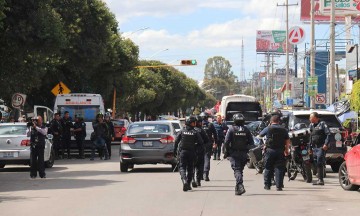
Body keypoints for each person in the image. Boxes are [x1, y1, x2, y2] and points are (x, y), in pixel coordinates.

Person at [223, 113, 254, 195]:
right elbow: (252, 143)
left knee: (237, 170)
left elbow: (226, 142)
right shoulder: (246, 129)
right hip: (244, 154)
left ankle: (240, 185)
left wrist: (226, 152)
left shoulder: (231, 129)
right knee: (240, 170)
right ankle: (238, 189)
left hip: (234, 153)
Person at [258, 115, 290, 191]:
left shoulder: (268, 128)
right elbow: (287, 140)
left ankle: (267, 185)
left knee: (268, 167)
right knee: (279, 168)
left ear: (271, 121)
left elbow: (260, 135)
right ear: (279, 121)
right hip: (280, 150)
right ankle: (279, 186)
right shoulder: (283, 129)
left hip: (270, 150)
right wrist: (286, 149)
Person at [174, 115, 204, 192]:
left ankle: (184, 181)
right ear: (191, 123)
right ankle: (188, 183)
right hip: (191, 152)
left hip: (183, 152)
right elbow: (201, 143)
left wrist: (174, 151)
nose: (195, 123)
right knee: (190, 168)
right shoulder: (195, 132)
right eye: (194, 122)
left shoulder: (182, 131)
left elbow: (176, 141)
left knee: (182, 168)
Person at [309, 112, 330, 186]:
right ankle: (319, 179)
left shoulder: (322, 124)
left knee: (319, 162)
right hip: (314, 147)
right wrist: (310, 148)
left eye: (311, 117)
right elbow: (310, 137)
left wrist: (326, 144)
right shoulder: (311, 125)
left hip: (321, 146)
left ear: (316, 118)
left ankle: (321, 180)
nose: (309, 119)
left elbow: (328, 134)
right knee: (315, 163)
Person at [200, 112, 218, 181]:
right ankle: (206, 175)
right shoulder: (210, 125)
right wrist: (215, 143)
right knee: (207, 158)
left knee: (200, 159)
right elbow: (215, 134)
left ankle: (200, 175)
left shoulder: (199, 125)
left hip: (199, 145)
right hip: (208, 144)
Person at [192, 115, 209, 188]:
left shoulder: (190, 130)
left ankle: (192, 179)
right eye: (200, 122)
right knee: (199, 166)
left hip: (191, 151)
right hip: (199, 151)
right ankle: (198, 180)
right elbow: (206, 140)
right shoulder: (201, 130)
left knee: (191, 166)